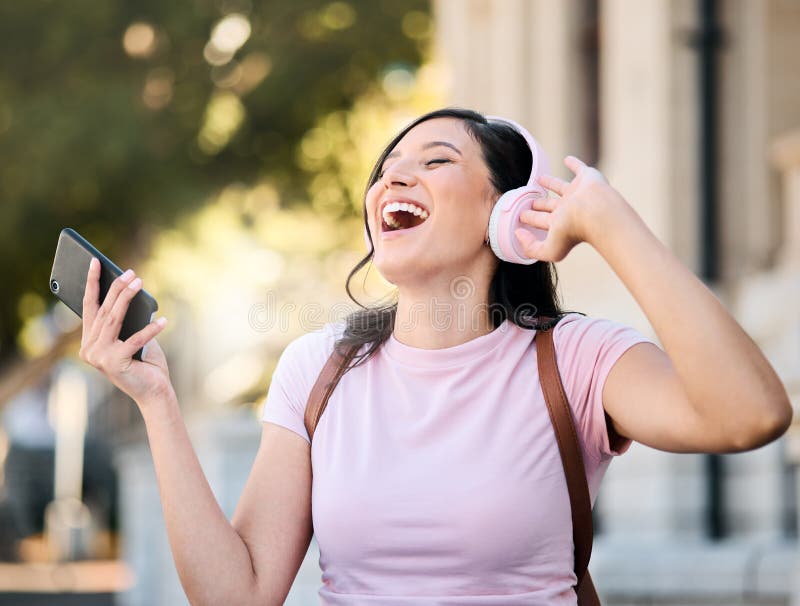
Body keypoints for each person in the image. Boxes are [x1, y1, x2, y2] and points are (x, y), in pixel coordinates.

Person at [78, 107, 793, 605]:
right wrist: (156, 401)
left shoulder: (574, 358)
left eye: (436, 161)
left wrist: (612, 226)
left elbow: (751, 414)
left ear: (507, 212)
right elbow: (238, 595)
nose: (395, 179)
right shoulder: (318, 368)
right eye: (386, 170)